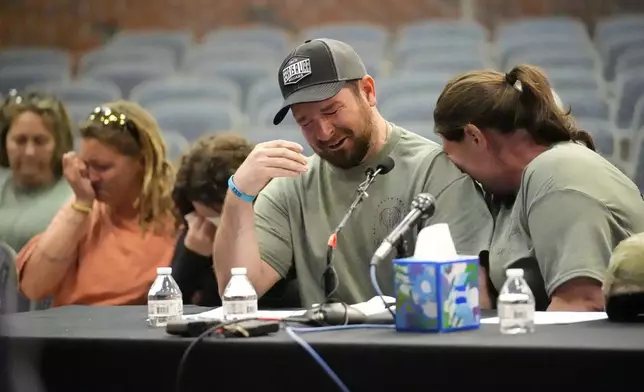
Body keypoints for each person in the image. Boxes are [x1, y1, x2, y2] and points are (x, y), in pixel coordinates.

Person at [213, 38, 494, 308]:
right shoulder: (292, 185)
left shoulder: (435, 172)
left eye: (332, 110)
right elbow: (238, 291)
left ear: (368, 91)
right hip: (322, 353)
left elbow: (469, 299)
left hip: (413, 351)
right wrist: (239, 194)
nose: (323, 132)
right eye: (305, 122)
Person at [433, 64, 644, 311]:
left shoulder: (558, 171)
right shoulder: (511, 190)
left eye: (453, 157)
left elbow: (581, 305)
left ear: (474, 137)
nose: (457, 169)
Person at [15, 102, 178, 306]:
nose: (91, 177)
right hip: (72, 333)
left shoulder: (177, 218)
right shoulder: (83, 211)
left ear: (143, 162)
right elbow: (33, 287)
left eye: (102, 167)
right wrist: (80, 206)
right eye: (85, 165)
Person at [171, 132, 300, 307]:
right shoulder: (198, 227)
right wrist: (191, 257)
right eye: (206, 217)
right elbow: (170, 302)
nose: (215, 227)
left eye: (219, 217)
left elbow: (247, 301)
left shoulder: (277, 217)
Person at [0, 90, 74, 252]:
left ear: (58, 144)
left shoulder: (75, 199)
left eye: (40, 141)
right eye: (20, 140)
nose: (29, 152)